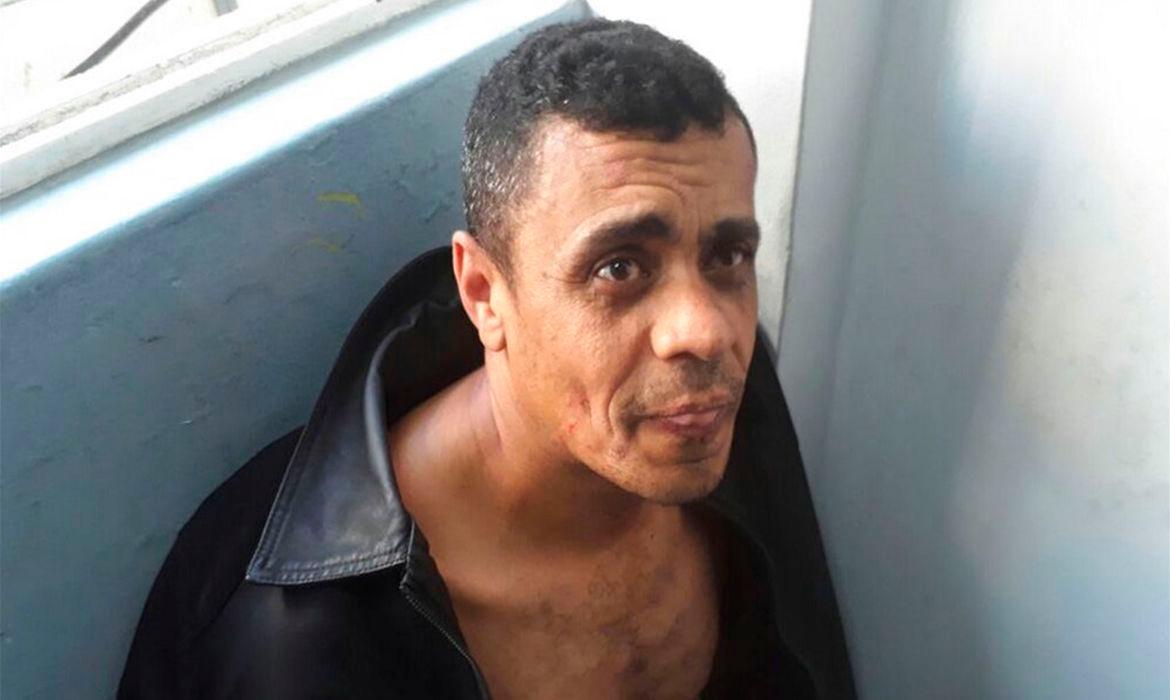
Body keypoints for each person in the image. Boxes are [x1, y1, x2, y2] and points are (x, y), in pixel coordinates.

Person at [119, 18, 855, 699]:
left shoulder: (713, 400)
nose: (703, 331)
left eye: (727, 256)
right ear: (482, 293)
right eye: (620, 267)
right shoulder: (293, 636)